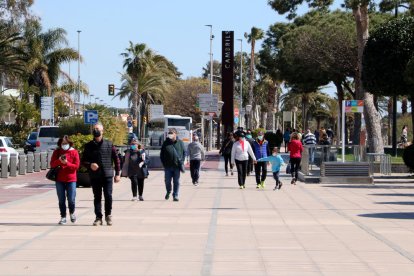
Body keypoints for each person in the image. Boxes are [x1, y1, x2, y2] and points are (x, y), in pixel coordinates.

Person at [83, 122, 121, 226]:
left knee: (108, 195)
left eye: (98, 129)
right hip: (95, 176)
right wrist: (90, 165)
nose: (96, 131)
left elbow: (116, 159)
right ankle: (98, 217)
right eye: (95, 129)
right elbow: (84, 161)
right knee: (97, 197)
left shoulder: (109, 144)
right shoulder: (88, 146)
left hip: (107, 174)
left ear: (102, 131)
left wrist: (118, 174)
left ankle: (108, 215)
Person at [50, 135, 80, 225]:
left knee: (71, 199)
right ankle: (63, 217)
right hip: (59, 179)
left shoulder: (74, 152)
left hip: (71, 179)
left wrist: (67, 163)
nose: (64, 145)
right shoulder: (57, 152)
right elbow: (52, 164)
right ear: (60, 143)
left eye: (66, 143)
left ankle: (72, 212)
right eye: (63, 143)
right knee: (61, 199)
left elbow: (76, 166)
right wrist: (59, 161)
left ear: (69, 143)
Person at [160, 128, 185, 201]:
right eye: (169, 133)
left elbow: (184, 153)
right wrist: (163, 163)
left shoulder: (180, 142)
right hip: (168, 166)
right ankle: (168, 191)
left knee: (176, 181)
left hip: (177, 166)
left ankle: (175, 195)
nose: (170, 134)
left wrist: (182, 162)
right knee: (167, 181)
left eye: (171, 133)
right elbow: (162, 154)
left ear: (175, 134)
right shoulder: (165, 143)